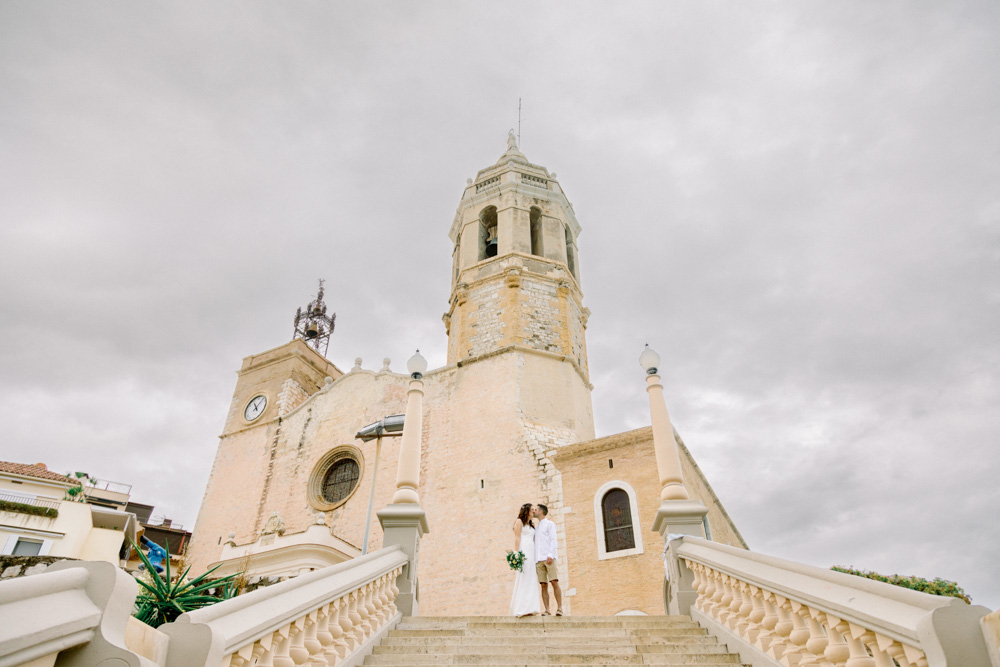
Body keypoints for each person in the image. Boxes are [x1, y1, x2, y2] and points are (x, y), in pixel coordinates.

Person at [508, 503, 541, 617]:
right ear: (526, 511)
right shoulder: (519, 522)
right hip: (524, 551)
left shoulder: (532, 525)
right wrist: (516, 553)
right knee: (524, 577)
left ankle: (531, 607)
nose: (534, 512)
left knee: (531, 578)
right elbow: (517, 537)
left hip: (531, 553)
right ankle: (521, 608)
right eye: (532, 510)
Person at [534, 504, 562, 616]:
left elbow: (553, 540)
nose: (534, 511)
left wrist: (551, 554)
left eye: (536, 509)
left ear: (541, 511)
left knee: (554, 582)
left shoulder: (550, 524)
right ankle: (547, 610)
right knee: (543, 585)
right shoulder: (536, 529)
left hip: (548, 557)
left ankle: (559, 608)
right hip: (539, 560)